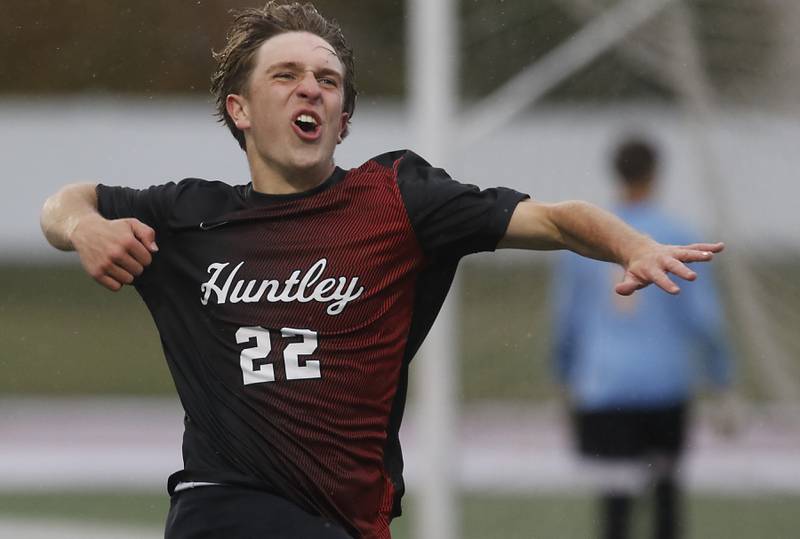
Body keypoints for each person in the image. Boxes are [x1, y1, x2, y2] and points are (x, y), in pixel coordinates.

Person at [39, 3, 724, 538]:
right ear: (239, 111)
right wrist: (84, 227)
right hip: (223, 507)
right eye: (287, 75)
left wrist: (631, 244)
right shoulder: (191, 216)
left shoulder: (396, 199)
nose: (311, 88)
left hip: (345, 518)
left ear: (343, 120)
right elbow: (64, 202)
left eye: (328, 81)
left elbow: (553, 217)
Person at [551, 136, 733, 539]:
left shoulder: (585, 238)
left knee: (615, 510)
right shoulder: (677, 235)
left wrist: (563, 379)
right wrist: (722, 381)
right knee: (666, 503)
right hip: (663, 388)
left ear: (615, 171)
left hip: (605, 388)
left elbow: (567, 320)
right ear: (655, 174)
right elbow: (704, 319)